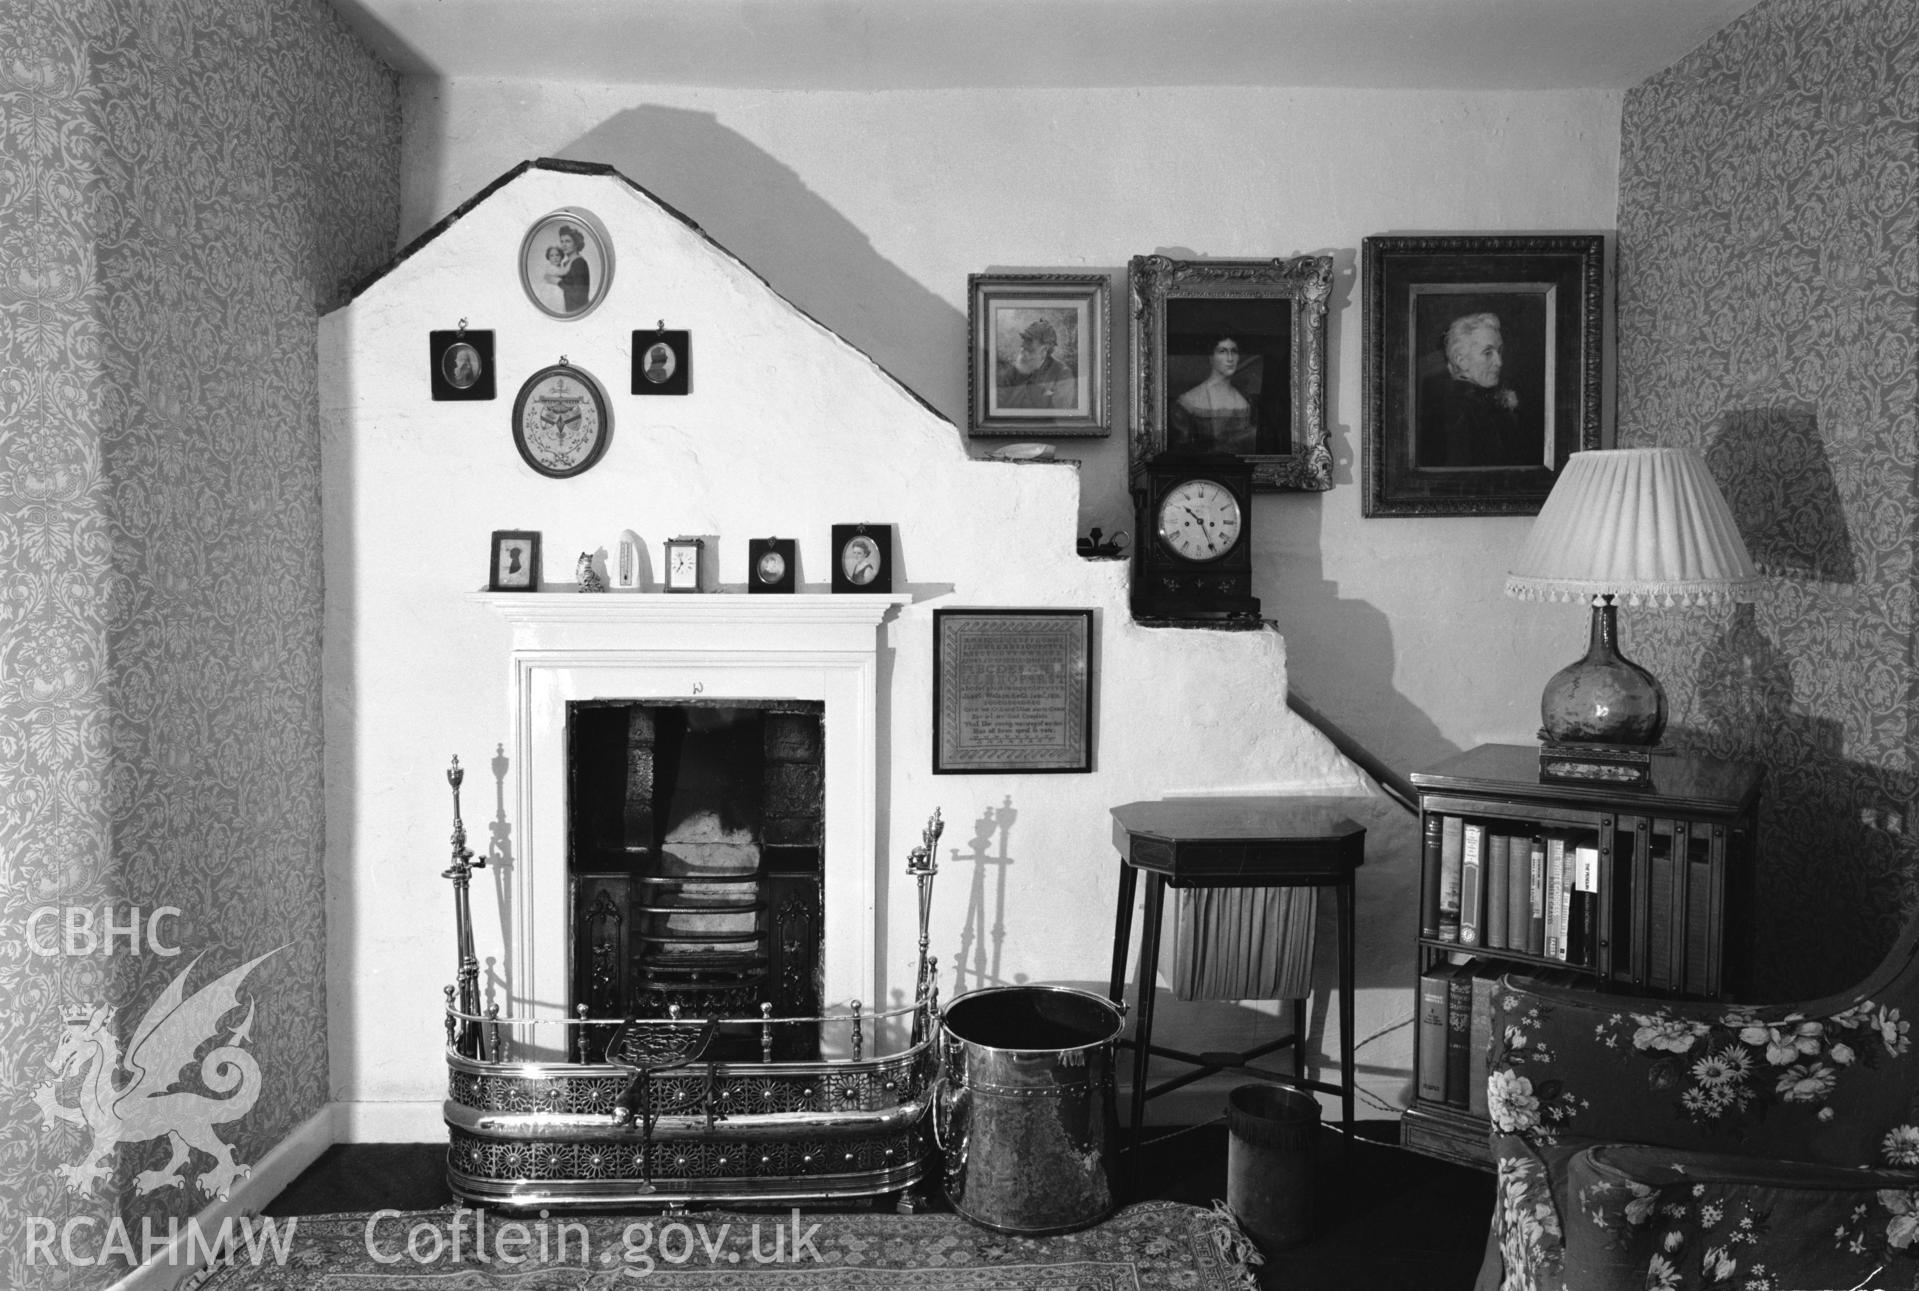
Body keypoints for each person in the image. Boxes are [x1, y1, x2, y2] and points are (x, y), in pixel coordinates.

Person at [1417, 312, 1534, 468]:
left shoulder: (1485, 402)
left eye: (1499, 351)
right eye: (1488, 353)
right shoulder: (1457, 409)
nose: (1499, 362)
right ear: (1461, 360)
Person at [1169, 336, 1256, 453]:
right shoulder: (1187, 402)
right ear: (1211, 358)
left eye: (1234, 351)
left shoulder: (1245, 401)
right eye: (1222, 351)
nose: (1230, 358)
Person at [996, 318, 1075, 409]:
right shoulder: (1017, 368)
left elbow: (1059, 415)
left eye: (1029, 340)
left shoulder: (1062, 374)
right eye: (1024, 338)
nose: (1023, 345)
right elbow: (998, 399)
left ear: (1044, 350)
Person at [552, 225, 590, 314]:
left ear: (576, 244)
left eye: (568, 241)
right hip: (568, 309)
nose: (564, 245)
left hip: (579, 310)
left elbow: (580, 296)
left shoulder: (579, 263)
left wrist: (558, 282)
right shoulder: (566, 263)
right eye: (562, 242)